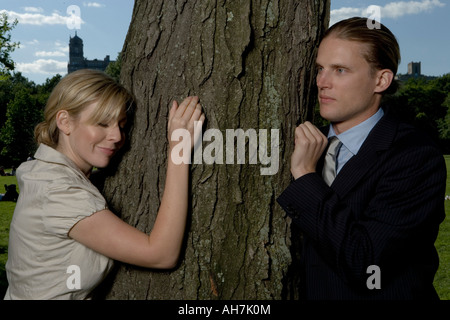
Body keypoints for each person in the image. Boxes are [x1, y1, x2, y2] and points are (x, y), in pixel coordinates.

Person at [277, 17, 446, 300]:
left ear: (381, 80)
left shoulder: (415, 157)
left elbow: (367, 263)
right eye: (320, 69)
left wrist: (306, 176)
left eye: (340, 70)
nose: (322, 82)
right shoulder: (303, 142)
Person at [4, 69, 205, 299]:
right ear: (65, 121)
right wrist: (178, 150)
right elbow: (161, 254)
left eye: (121, 125)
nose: (117, 136)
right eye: (101, 123)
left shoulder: (44, 172)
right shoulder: (60, 192)